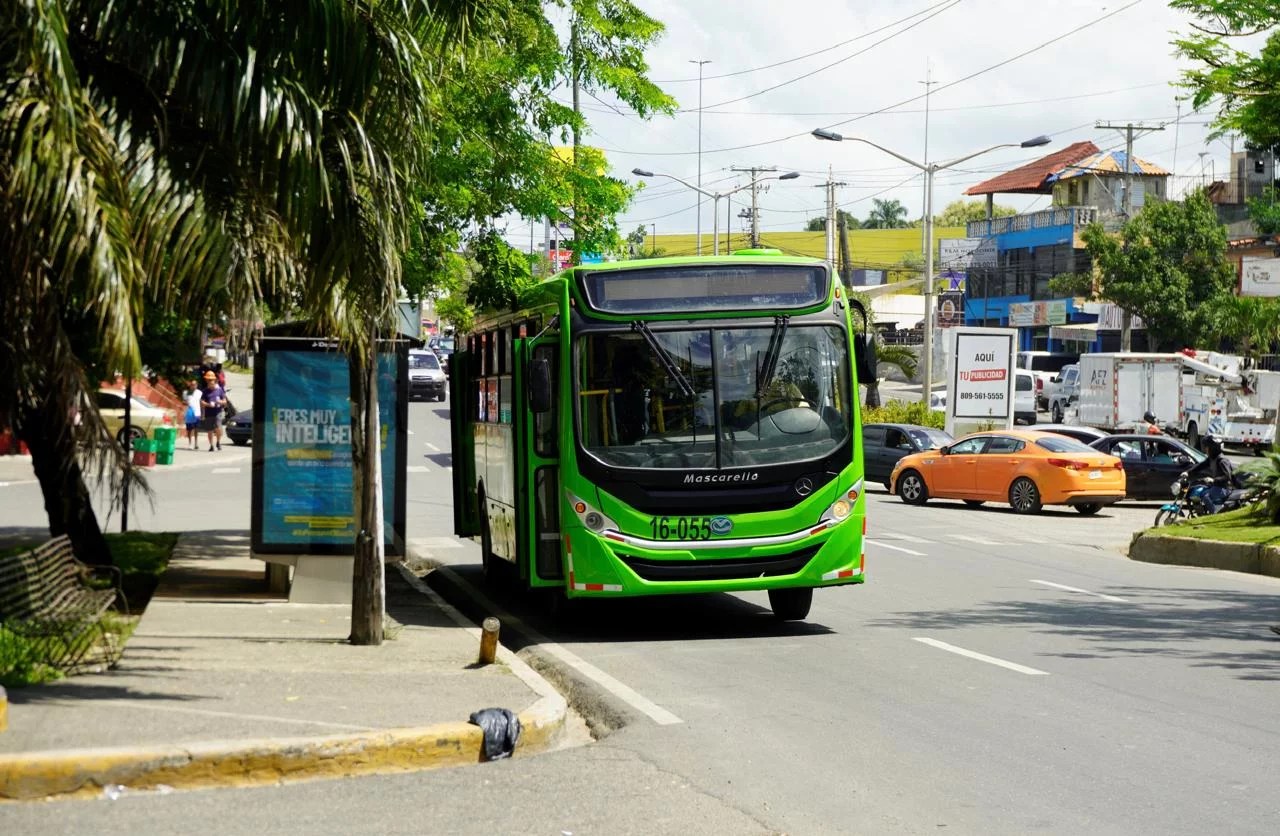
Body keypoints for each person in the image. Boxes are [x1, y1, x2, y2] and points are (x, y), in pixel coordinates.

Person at [1185, 435, 1234, 514]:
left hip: (1224, 488)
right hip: (1216, 486)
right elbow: (1201, 466)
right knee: (1197, 491)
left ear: (1212, 448)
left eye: (1207, 447)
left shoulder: (1222, 461)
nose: (1205, 449)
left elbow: (1227, 477)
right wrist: (1188, 472)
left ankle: (1214, 515)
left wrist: (1213, 480)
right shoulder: (1212, 458)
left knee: (1205, 496)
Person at [199, 370, 228, 451]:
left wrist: (220, 402)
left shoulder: (219, 390)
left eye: (211, 381)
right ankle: (211, 446)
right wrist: (208, 405)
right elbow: (201, 402)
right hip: (208, 413)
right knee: (210, 430)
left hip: (218, 412)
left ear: (214, 381)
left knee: (218, 428)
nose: (209, 383)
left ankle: (218, 442)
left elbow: (225, 401)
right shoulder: (205, 391)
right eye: (208, 381)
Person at [182, 379, 202, 449]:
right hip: (189, 413)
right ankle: (190, 443)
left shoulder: (199, 392)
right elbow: (183, 402)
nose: (193, 386)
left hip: (197, 413)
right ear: (190, 385)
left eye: (194, 385)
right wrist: (186, 403)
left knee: (196, 429)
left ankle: (196, 444)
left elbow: (201, 402)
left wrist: (203, 413)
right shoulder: (186, 392)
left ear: (196, 385)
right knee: (189, 429)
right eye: (192, 385)